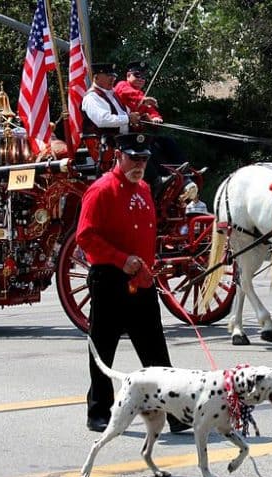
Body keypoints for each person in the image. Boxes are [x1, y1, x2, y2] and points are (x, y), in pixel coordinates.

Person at [75, 133, 190, 434]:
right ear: (118, 156)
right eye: (133, 158)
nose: (139, 164)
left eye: (143, 159)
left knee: (156, 351)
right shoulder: (100, 190)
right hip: (110, 279)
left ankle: (175, 411)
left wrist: (148, 266)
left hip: (140, 280)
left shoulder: (143, 188)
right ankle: (98, 411)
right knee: (103, 348)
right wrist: (120, 259)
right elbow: (85, 237)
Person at [113, 60, 186, 195]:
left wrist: (155, 119)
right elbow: (128, 93)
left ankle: (183, 173)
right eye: (137, 75)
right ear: (128, 76)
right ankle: (158, 180)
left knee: (167, 141)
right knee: (148, 149)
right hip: (124, 137)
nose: (141, 79)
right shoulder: (122, 86)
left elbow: (152, 111)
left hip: (137, 136)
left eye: (143, 77)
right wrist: (143, 100)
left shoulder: (141, 95)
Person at [80, 63, 141, 172]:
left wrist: (139, 119)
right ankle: (156, 181)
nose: (113, 78)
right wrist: (128, 118)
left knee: (161, 142)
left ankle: (171, 178)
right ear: (96, 77)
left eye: (114, 76)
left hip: (123, 140)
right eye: (108, 76)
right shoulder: (91, 97)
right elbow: (102, 120)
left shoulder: (113, 94)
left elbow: (127, 113)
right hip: (106, 143)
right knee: (143, 153)